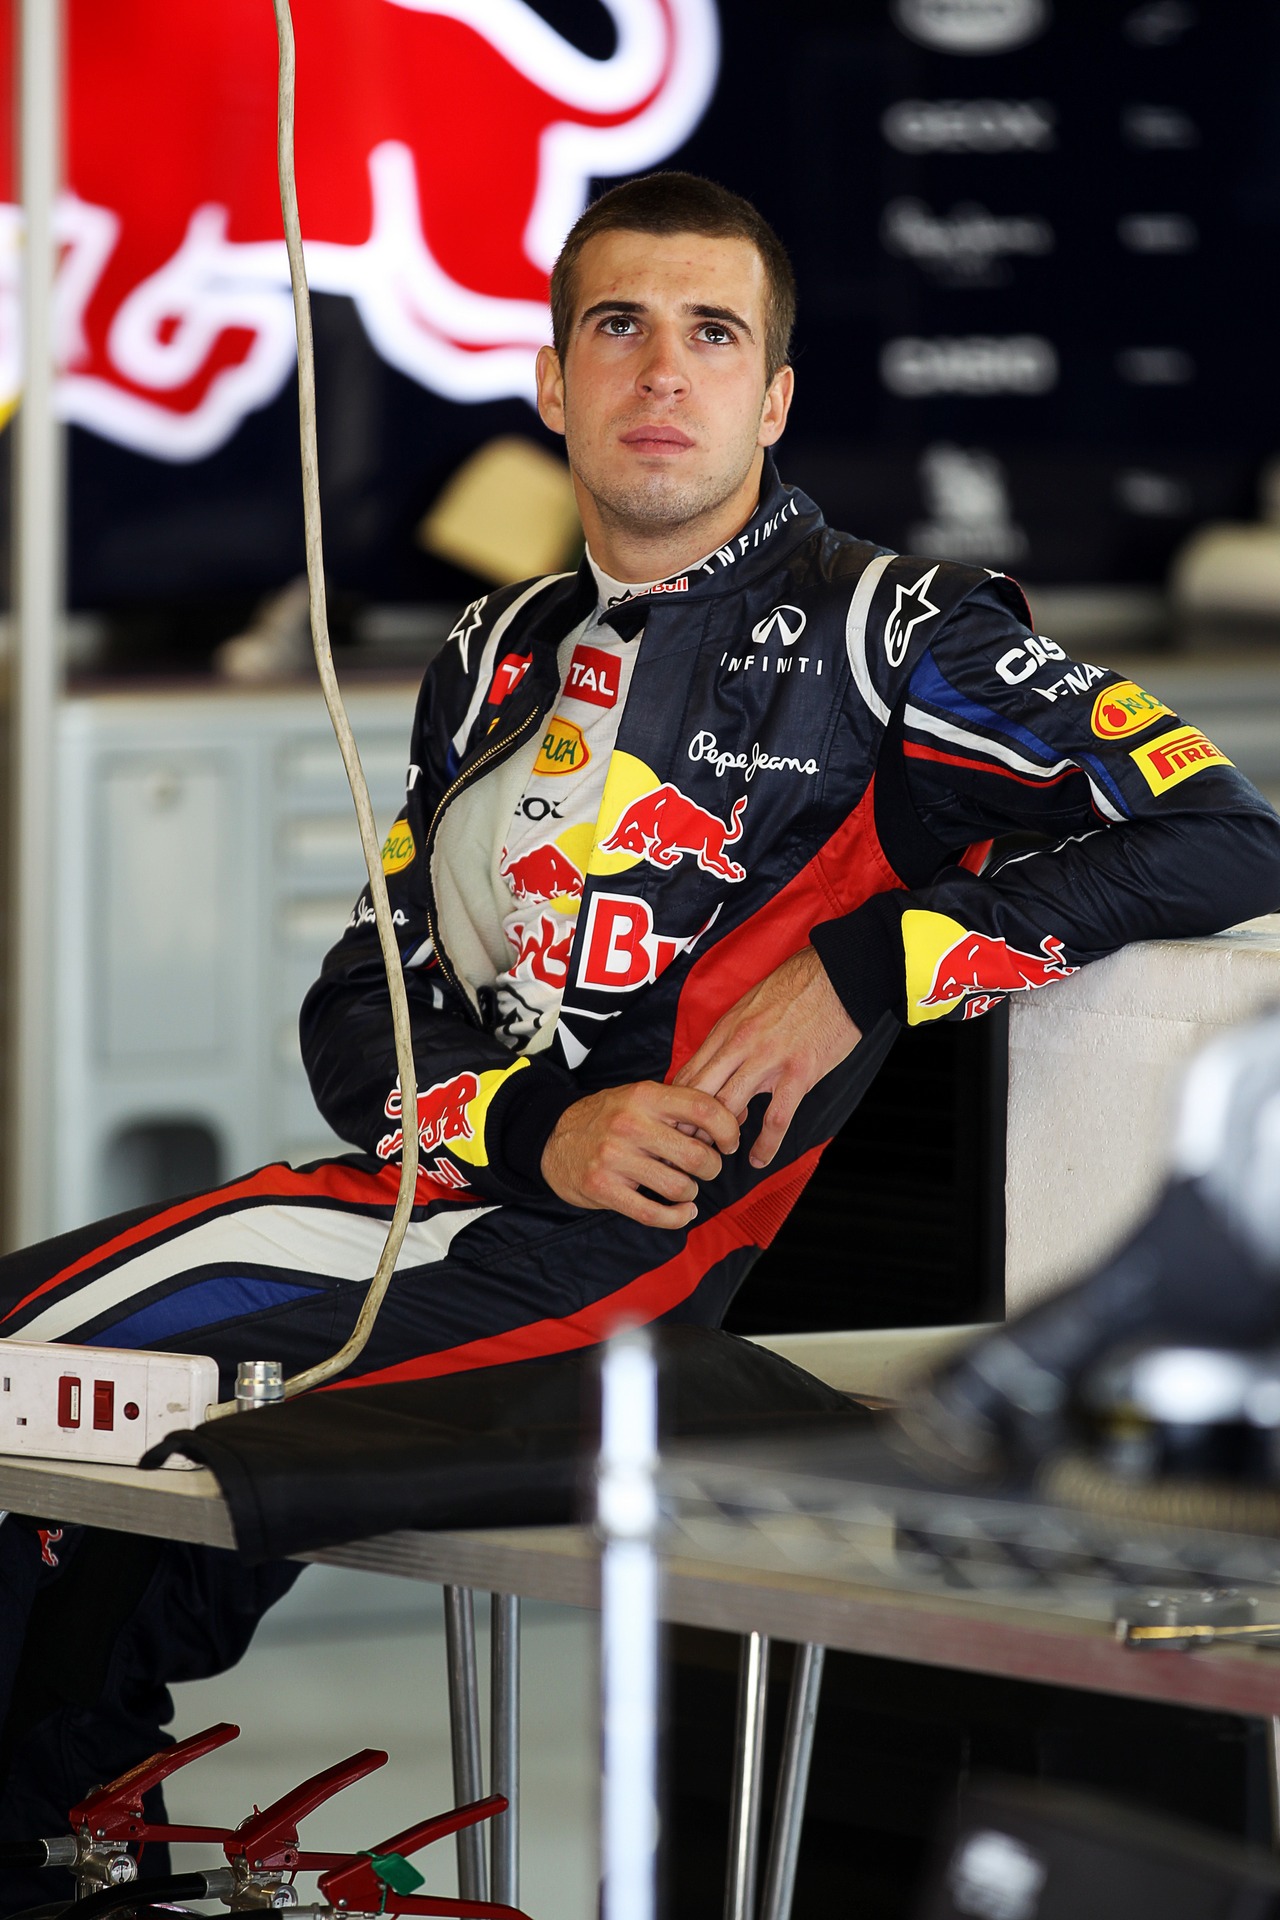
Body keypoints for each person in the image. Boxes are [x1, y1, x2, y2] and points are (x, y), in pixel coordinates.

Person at [1, 171, 1278, 1882]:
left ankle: (55, 1799)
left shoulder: (893, 626)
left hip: (625, 1279)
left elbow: (1227, 836)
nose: (661, 372)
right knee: (42, 1376)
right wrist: (531, 1129)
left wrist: (876, 962)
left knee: (42, 1379)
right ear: (554, 384)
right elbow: (354, 1009)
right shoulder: (494, 642)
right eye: (618, 327)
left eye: (711, 333)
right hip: (432, 1208)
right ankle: (71, 1813)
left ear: (775, 397)